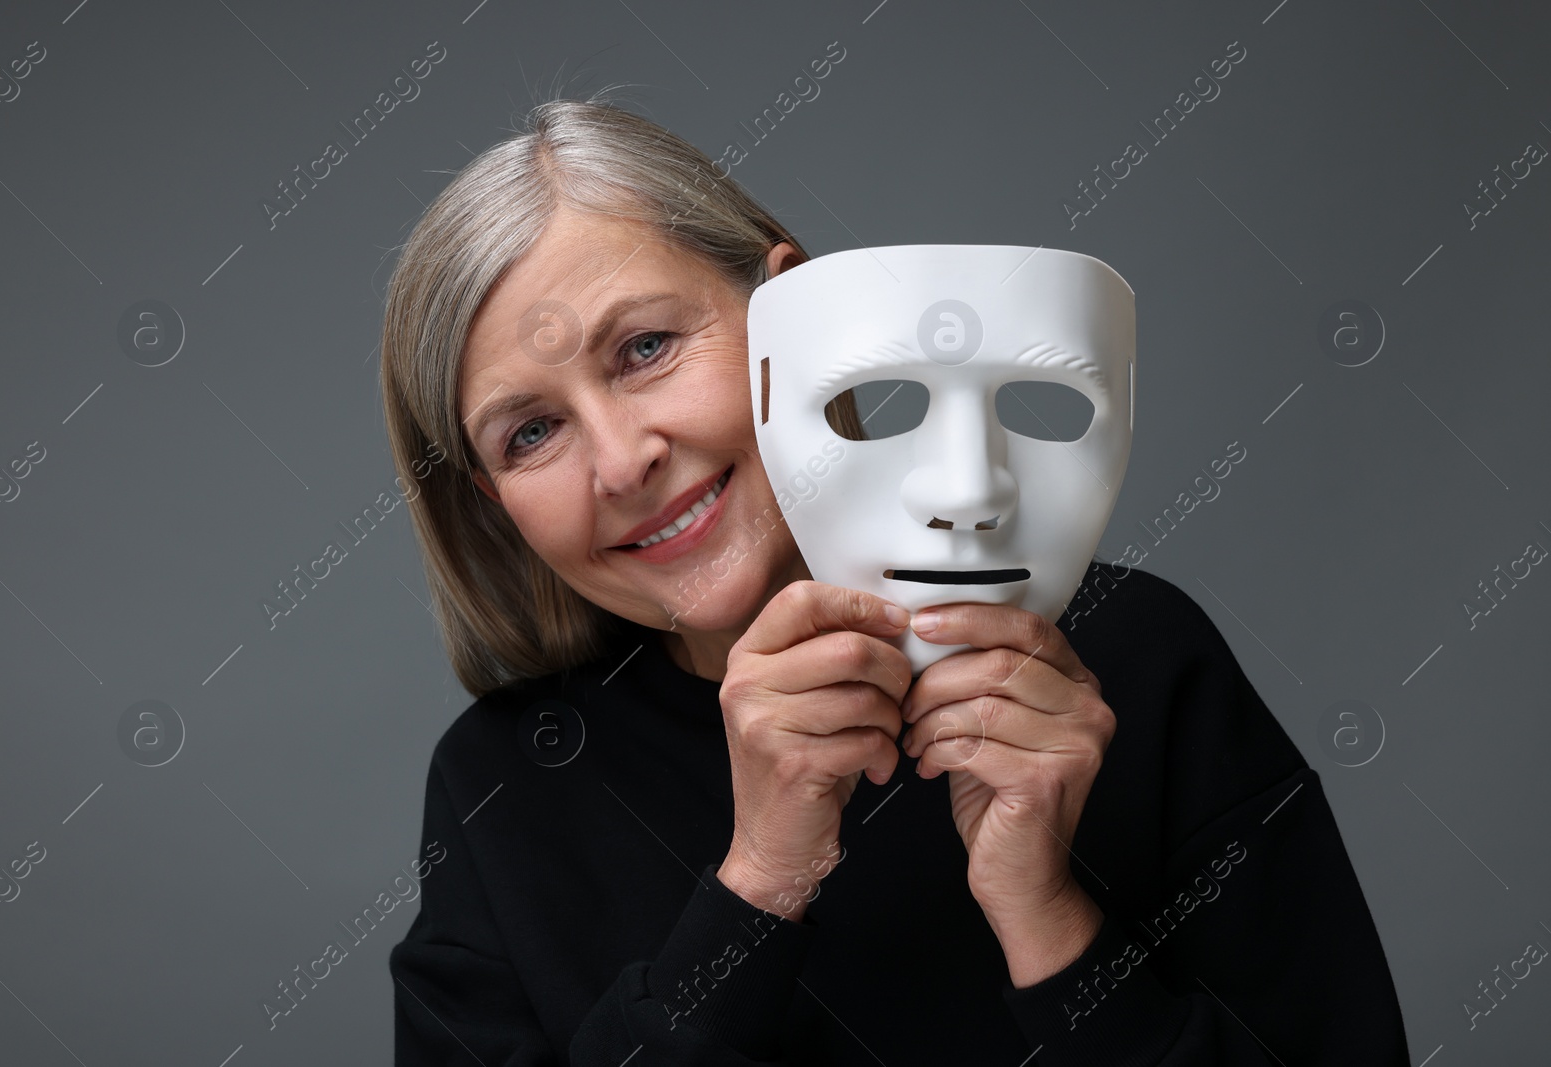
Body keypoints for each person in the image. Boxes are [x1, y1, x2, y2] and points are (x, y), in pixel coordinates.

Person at [379, 94, 1410, 1064]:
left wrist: (1044, 915)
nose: (619, 461)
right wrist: (756, 886)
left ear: (794, 314)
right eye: (531, 431)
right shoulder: (501, 788)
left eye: (644, 347)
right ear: (489, 495)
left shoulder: (1138, 659)